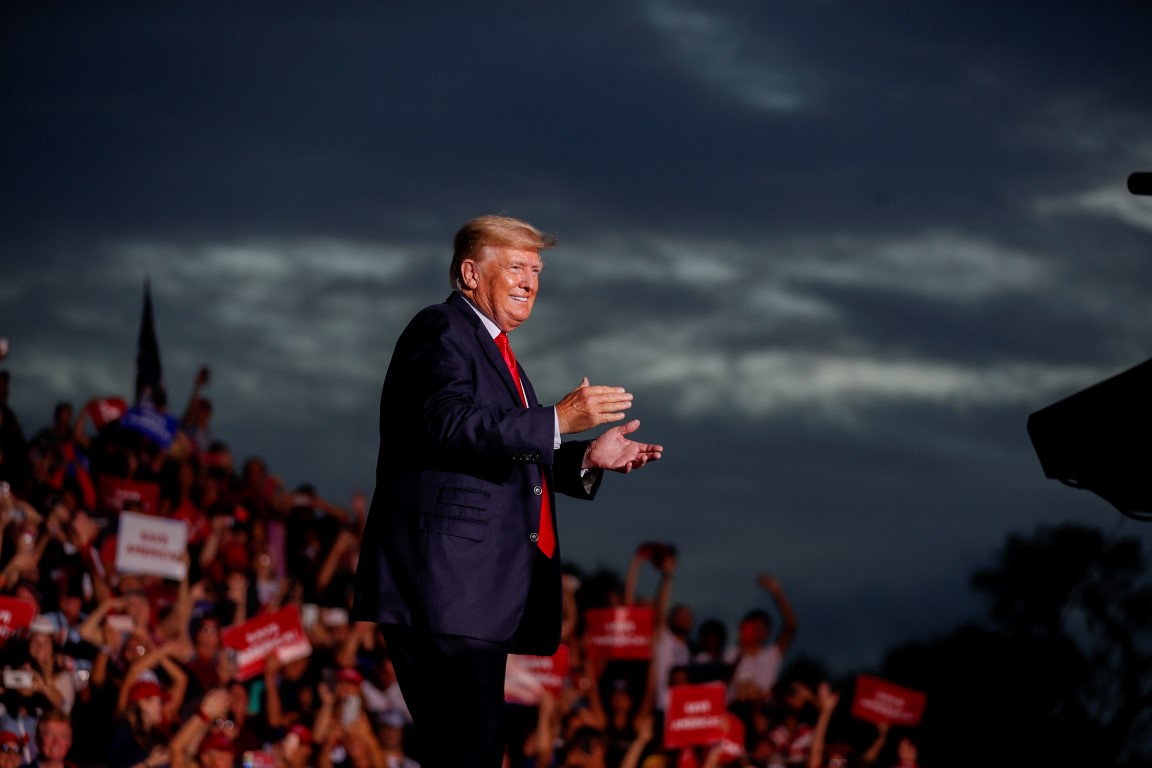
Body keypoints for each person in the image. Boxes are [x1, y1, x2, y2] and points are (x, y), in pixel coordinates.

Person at [352, 214, 664, 768]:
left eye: (537, 269)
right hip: (446, 588)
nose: (530, 281)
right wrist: (558, 420)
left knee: (470, 753)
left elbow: (504, 453)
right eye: (516, 266)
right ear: (470, 274)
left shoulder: (501, 356)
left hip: (476, 596)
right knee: (469, 752)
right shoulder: (441, 329)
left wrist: (586, 457)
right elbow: (446, 425)